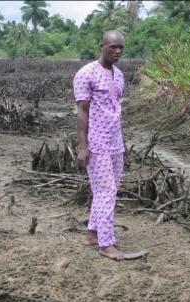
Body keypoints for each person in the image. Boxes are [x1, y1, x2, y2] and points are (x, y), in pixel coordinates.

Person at [73, 30, 128, 260]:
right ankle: (106, 244)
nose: (117, 51)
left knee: (106, 191)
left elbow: (115, 112)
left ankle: (92, 235)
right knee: (106, 192)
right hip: (96, 144)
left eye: (121, 48)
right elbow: (82, 112)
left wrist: (123, 146)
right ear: (102, 46)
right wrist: (82, 147)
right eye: (112, 47)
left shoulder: (119, 75)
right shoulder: (86, 74)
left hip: (115, 143)